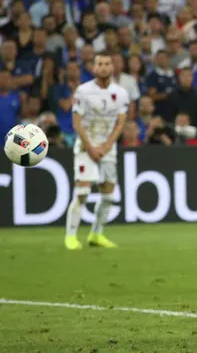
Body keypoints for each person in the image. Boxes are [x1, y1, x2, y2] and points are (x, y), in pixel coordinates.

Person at [64, 53, 129, 250]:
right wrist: (91, 147)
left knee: (108, 194)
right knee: (82, 192)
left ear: (113, 67)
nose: (103, 67)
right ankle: (70, 236)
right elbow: (76, 122)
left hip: (108, 149)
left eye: (107, 63)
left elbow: (121, 122)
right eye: (99, 63)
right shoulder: (83, 92)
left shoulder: (121, 93)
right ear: (94, 68)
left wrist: (107, 146)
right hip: (86, 147)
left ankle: (96, 234)